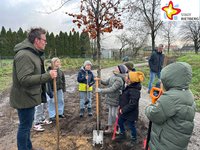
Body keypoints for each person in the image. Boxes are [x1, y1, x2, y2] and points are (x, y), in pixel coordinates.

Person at [10, 27, 57, 150]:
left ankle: (28, 147)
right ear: (37, 40)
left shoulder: (33, 54)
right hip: (24, 97)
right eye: (44, 40)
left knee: (27, 125)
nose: (46, 42)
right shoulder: (24, 55)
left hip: (29, 96)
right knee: (24, 127)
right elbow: (24, 79)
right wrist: (48, 76)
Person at [145, 62, 196, 150]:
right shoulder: (188, 94)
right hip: (177, 142)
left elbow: (155, 115)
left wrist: (148, 108)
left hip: (164, 144)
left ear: (169, 79)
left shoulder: (170, 98)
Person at [96, 64, 128, 133]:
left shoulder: (119, 80)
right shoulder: (113, 76)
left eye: (117, 67)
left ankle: (118, 127)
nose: (115, 68)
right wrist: (99, 80)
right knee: (110, 114)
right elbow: (106, 82)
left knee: (114, 114)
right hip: (110, 98)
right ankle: (110, 127)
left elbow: (112, 89)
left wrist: (101, 90)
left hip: (115, 99)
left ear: (120, 70)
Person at [115, 71, 144, 142]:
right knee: (120, 121)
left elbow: (133, 104)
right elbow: (124, 98)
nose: (125, 77)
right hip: (124, 110)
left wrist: (124, 109)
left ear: (131, 80)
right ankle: (122, 134)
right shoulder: (129, 87)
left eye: (127, 77)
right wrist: (120, 106)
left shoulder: (135, 90)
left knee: (131, 125)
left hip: (131, 112)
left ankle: (134, 138)